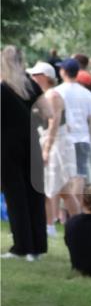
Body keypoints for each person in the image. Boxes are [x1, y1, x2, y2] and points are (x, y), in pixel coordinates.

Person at [1, 46, 49, 260]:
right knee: (34, 194)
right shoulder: (32, 85)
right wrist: (29, 114)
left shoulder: (2, 88)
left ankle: (22, 246)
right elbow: (48, 113)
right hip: (31, 143)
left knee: (15, 196)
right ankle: (37, 248)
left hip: (7, 146)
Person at [27, 61, 73, 237]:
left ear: (43, 77)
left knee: (50, 186)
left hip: (56, 144)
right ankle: (75, 221)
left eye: (35, 75)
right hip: (51, 141)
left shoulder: (52, 95)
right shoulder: (44, 95)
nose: (32, 78)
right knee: (63, 189)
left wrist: (46, 149)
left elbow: (54, 123)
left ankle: (49, 226)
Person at [53, 56, 91, 212]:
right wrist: (90, 136)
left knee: (61, 176)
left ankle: (63, 212)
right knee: (79, 176)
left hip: (63, 139)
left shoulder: (57, 92)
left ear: (64, 72)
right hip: (82, 138)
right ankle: (76, 210)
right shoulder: (86, 93)